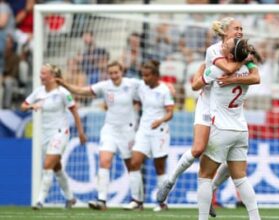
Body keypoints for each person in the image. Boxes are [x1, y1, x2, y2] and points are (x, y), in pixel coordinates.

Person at [156, 17, 253, 213]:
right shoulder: (214, 50)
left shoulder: (241, 49)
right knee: (198, 148)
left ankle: (211, 190)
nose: (240, 31)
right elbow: (226, 68)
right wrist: (245, 59)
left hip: (227, 109)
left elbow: (254, 76)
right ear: (225, 32)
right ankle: (170, 181)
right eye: (236, 28)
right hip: (208, 106)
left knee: (233, 162)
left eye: (242, 28)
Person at [56, 61, 140, 210]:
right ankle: (101, 200)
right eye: (111, 73)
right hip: (110, 129)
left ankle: (137, 201)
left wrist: (166, 87)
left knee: (131, 165)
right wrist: (66, 85)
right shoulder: (105, 86)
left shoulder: (132, 83)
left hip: (127, 130)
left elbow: (149, 88)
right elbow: (82, 91)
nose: (114, 76)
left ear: (122, 71)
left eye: (116, 72)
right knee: (104, 161)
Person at [192, 38, 261, 220]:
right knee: (240, 178)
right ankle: (255, 218)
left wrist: (200, 70)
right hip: (240, 130)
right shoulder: (248, 71)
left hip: (221, 130)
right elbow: (256, 76)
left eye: (225, 46)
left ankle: (202, 218)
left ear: (230, 55)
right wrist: (246, 61)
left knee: (205, 176)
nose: (221, 46)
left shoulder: (216, 70)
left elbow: (195, 85)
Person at [21, 63, 86, 210]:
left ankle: (39, 201)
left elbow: (75, 112)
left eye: (44, 74)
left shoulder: (63, 93)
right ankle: (70, 197)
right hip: (45, 135)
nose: (40, 76)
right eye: (40, 73)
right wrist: (32, 106)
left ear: (52, 76)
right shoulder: (38, 92)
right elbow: (23, 106)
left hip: (61, 132)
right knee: (56, 167)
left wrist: (81, 133)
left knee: (47, 165)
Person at [123, 60, 174, 212]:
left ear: (156, 75)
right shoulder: (142, 88)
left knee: (159, 168)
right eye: (143, 76)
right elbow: (136, 100)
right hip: (144, 130)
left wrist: (160, 120)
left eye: (147, 76)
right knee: (134, 163)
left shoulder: (164, 90)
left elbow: (170, 112)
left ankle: (162, 203)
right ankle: (137, 200)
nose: (145, 79)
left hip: (159, 131)